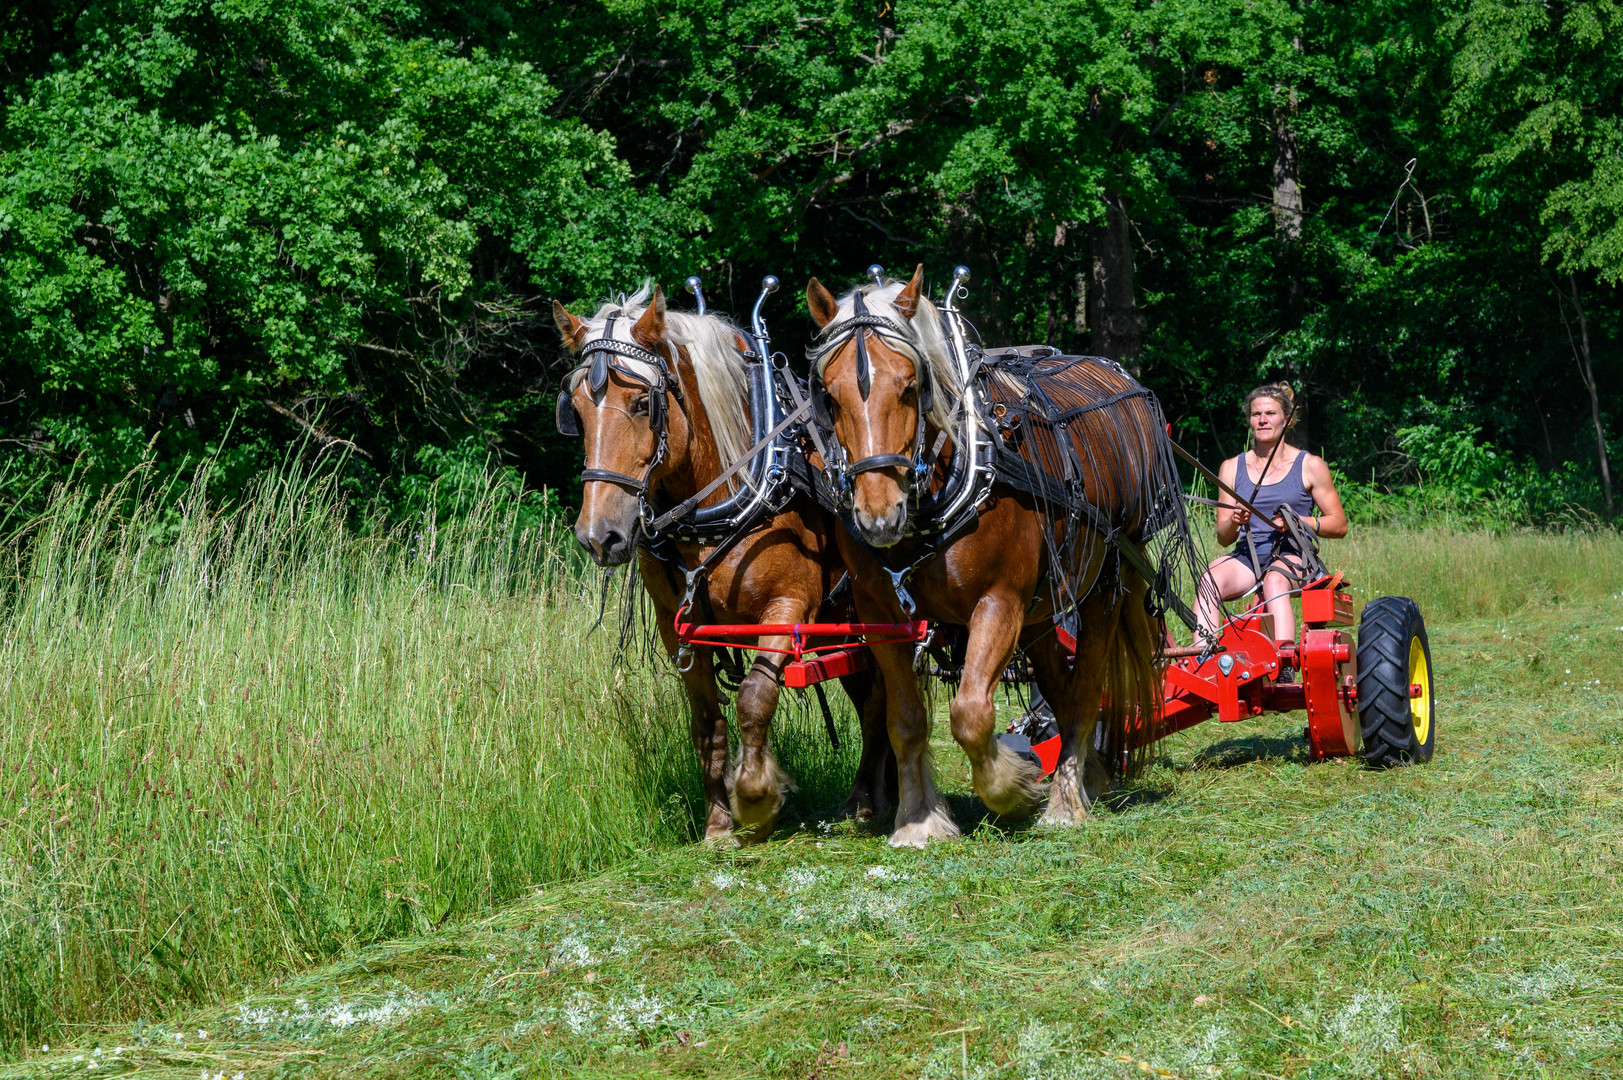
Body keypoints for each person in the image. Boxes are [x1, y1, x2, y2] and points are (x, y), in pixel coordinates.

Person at [1196, 383, 1347, 665]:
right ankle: (1202, 659)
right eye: (1256, 414)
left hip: (1293, 556)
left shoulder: (1309, 464)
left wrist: (1299, 522)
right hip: (1248, 557)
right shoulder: (1231, 467)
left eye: (1270, 413)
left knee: (1274, 580)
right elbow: (1223, 537)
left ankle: (1284, 658)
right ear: (1249, 420)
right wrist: (1234, 520)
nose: (1262, 420)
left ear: (1286, 419)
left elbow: (1339, 525)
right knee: (1209, 579)